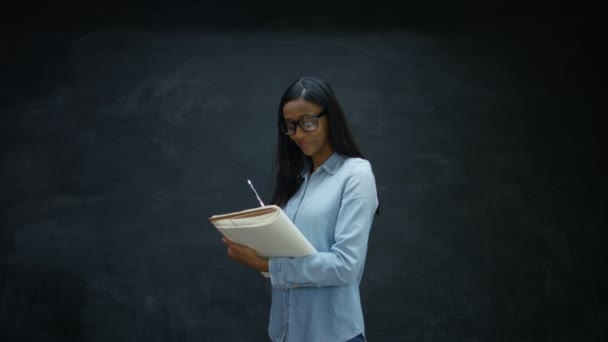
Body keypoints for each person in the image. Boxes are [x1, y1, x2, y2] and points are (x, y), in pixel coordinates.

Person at [222, 76, 379, 342]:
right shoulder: (296, 178)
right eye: (290, 126)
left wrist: (269, 265)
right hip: (284, 333)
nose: (298, 134)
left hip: (332, 335)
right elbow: (288, 255)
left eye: (308, 122)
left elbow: (346, 266)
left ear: (331, 118)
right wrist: (255, 247)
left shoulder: (355, 174)